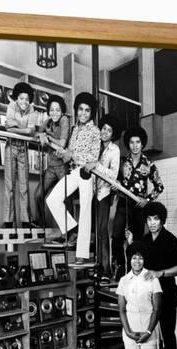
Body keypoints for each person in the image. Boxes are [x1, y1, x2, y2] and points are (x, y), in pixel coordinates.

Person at [127, 201, 177, 349]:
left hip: (168, 295)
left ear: (162, 220)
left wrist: (160, 273)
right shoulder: (144, 239)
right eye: (149, 219)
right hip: (150, 298)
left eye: (156, 219)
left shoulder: (170, 239)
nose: (152, 223)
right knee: (152, 340)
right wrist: (130, 244)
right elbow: (139, 262)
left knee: (168, 337)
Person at [46, 92, 101, 265]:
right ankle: (72, 229)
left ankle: (82, 254)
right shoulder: (74, 129)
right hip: (73, 172)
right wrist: (62, 154)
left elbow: (93, 157)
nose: (83, 113)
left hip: (86, 173)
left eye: (87, 110)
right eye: (81, 109)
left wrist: (72, 155)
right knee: (53, 199)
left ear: (91, 113)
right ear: (76, 110)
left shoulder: (95, 131)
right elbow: (68, 155)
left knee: (85, 213)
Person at [112, 126, 164, 279]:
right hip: (123, 202)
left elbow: (159, 186)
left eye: (138, 142)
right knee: (116, 235)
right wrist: (116, 187)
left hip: (138, 207)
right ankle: (121, 267)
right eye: (132, 142)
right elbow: (116, 182)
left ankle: (136, 272)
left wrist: (146, 200)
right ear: (128, 144)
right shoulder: (123, 162)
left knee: (137, 240)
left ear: (142, 144)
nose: (135, 145)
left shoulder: (148, 164)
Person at [83, 114, 121, 283]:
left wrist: (96, 165)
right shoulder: (94, 144)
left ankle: (106, 269)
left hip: (103, 194)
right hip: (89, 192)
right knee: (93, 232)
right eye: (104, 128)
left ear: (113, 134)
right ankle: (97, 266)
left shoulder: (115, 150)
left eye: (109, 130)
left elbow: (113, 174)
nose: (105, 132)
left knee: (102, 232)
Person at [3, 82, 36, 229]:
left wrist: (14, 129)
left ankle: (25, 221)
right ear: (17, 98)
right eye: (22, 98)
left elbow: (31, 131)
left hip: (23, 149)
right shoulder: (11, 106)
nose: (24, 102)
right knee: (9, 186)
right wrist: (24, 130)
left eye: (27, 99)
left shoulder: (32, 109)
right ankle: (8, 221)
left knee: (24, 187)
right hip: (11, 147)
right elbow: (7, 126)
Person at [34, 95, 70, 227]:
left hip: (62, 166)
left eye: (58, 110)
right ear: (48, 110)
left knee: (66, 199)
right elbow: (37, 132)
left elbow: (62, 143)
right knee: (38, 195)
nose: (55, 112)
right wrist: (41, 134)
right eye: (52, 109)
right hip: (50, 167)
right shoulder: (48, 120)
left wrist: (47, 137)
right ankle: (40, 224)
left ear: (62, 111)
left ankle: (69, 231)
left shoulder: (64, 120)